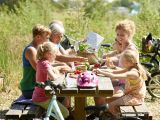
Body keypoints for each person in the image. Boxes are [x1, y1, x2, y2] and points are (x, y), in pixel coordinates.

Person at [95, 19, 140, 105]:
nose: (119, 37)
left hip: (128, 84)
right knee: (98, 87)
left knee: (101, 90)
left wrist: (107, 60)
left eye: (122, 35)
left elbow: (119, 57)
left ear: (129, 35)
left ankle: (102, 110)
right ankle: (99, 111)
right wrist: (106, 58)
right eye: (118, 34)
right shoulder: (122, 44)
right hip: (121, 79)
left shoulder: (131, 49)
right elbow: (116, 53)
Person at [93, 50, 147, 115]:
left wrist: (100, 71)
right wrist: (100, 70)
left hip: (134, 98)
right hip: (128, 95)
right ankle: (102, 115)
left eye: (122, 61)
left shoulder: (133, 73)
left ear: (128, 62)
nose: (121, 62)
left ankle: (112, 116)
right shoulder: (131, 68)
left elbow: (113, 75)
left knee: (108, 106)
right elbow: (113, 71)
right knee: (106, 100)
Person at [32, 42, 71, 118]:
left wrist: (58, 70)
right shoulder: (44, 64)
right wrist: (59, 73)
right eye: (54, 54)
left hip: (43, 94)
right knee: (65, 113)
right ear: (48, 54)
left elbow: (52, 71)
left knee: (66, 102)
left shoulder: (42, 62)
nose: (55, 56)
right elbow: (53, 77)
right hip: (42, 97)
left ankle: (50, 115)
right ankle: (49, 116)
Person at [20, 24, 51, 99]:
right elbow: (39, 69)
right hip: (30, 88)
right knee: (58, 93)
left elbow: (47, 64)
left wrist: (60, 66)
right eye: (46, 38)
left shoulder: (38, 48)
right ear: (38, 37)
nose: (48, 40)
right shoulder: (31, 50)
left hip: (38, 85)